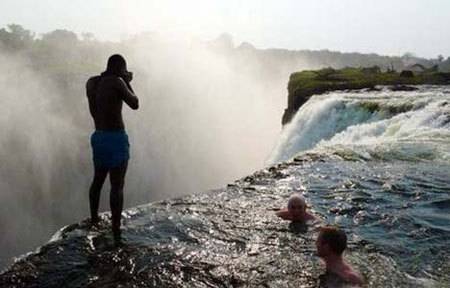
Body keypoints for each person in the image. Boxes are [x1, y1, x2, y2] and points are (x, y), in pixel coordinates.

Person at [86, 54, 139, 243]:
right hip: (116, 137)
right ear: (120, 68)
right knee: (117, 186)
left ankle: (94, 218)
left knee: (98, 180)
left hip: (99, 136)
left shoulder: (91, 82)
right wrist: (126, 81)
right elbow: (135, 104)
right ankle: (116, 229)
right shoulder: (117, 81)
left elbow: (94, 110)